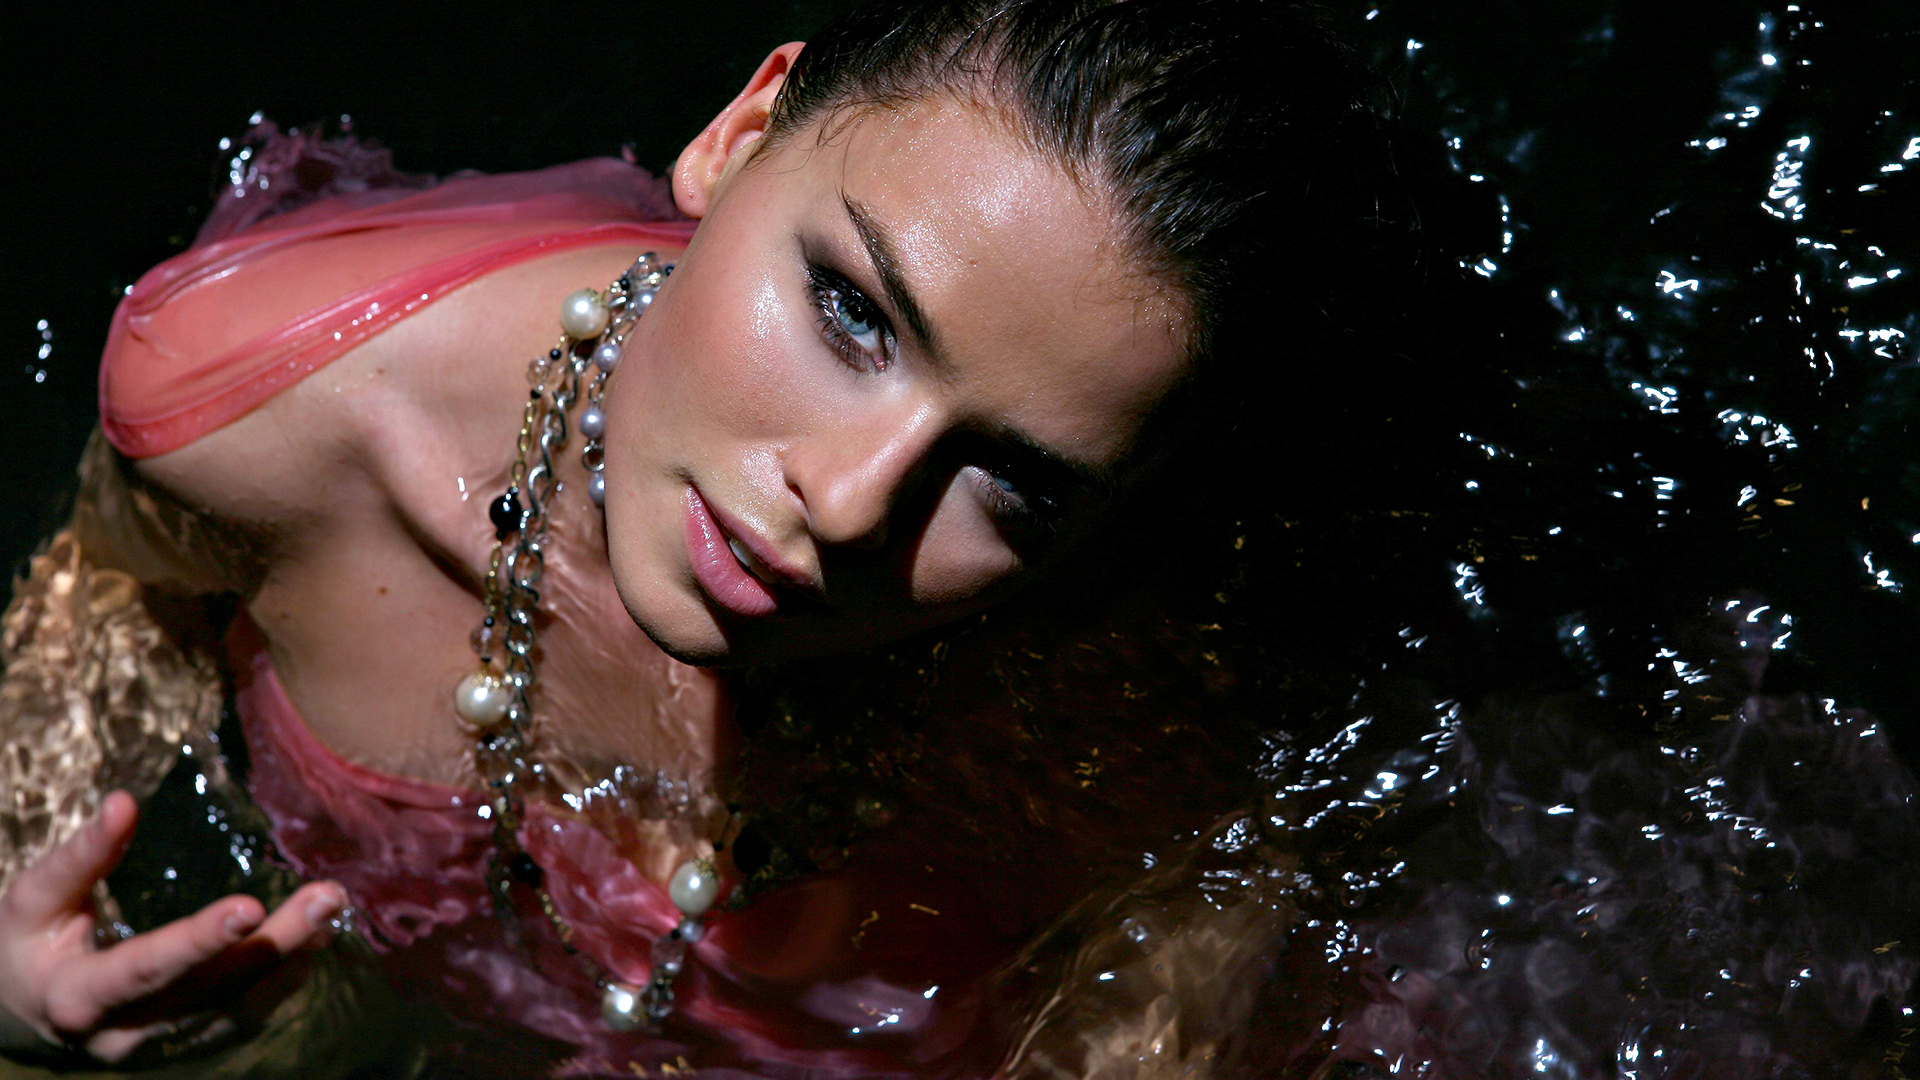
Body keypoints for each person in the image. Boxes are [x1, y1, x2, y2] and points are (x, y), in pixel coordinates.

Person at [0, 0, 1409, 1075]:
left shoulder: (1147, 732)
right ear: (738, 140)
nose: (850, 505)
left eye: (1011, 479)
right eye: (854, 312)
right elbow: (112, 595)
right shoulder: (263, 406)